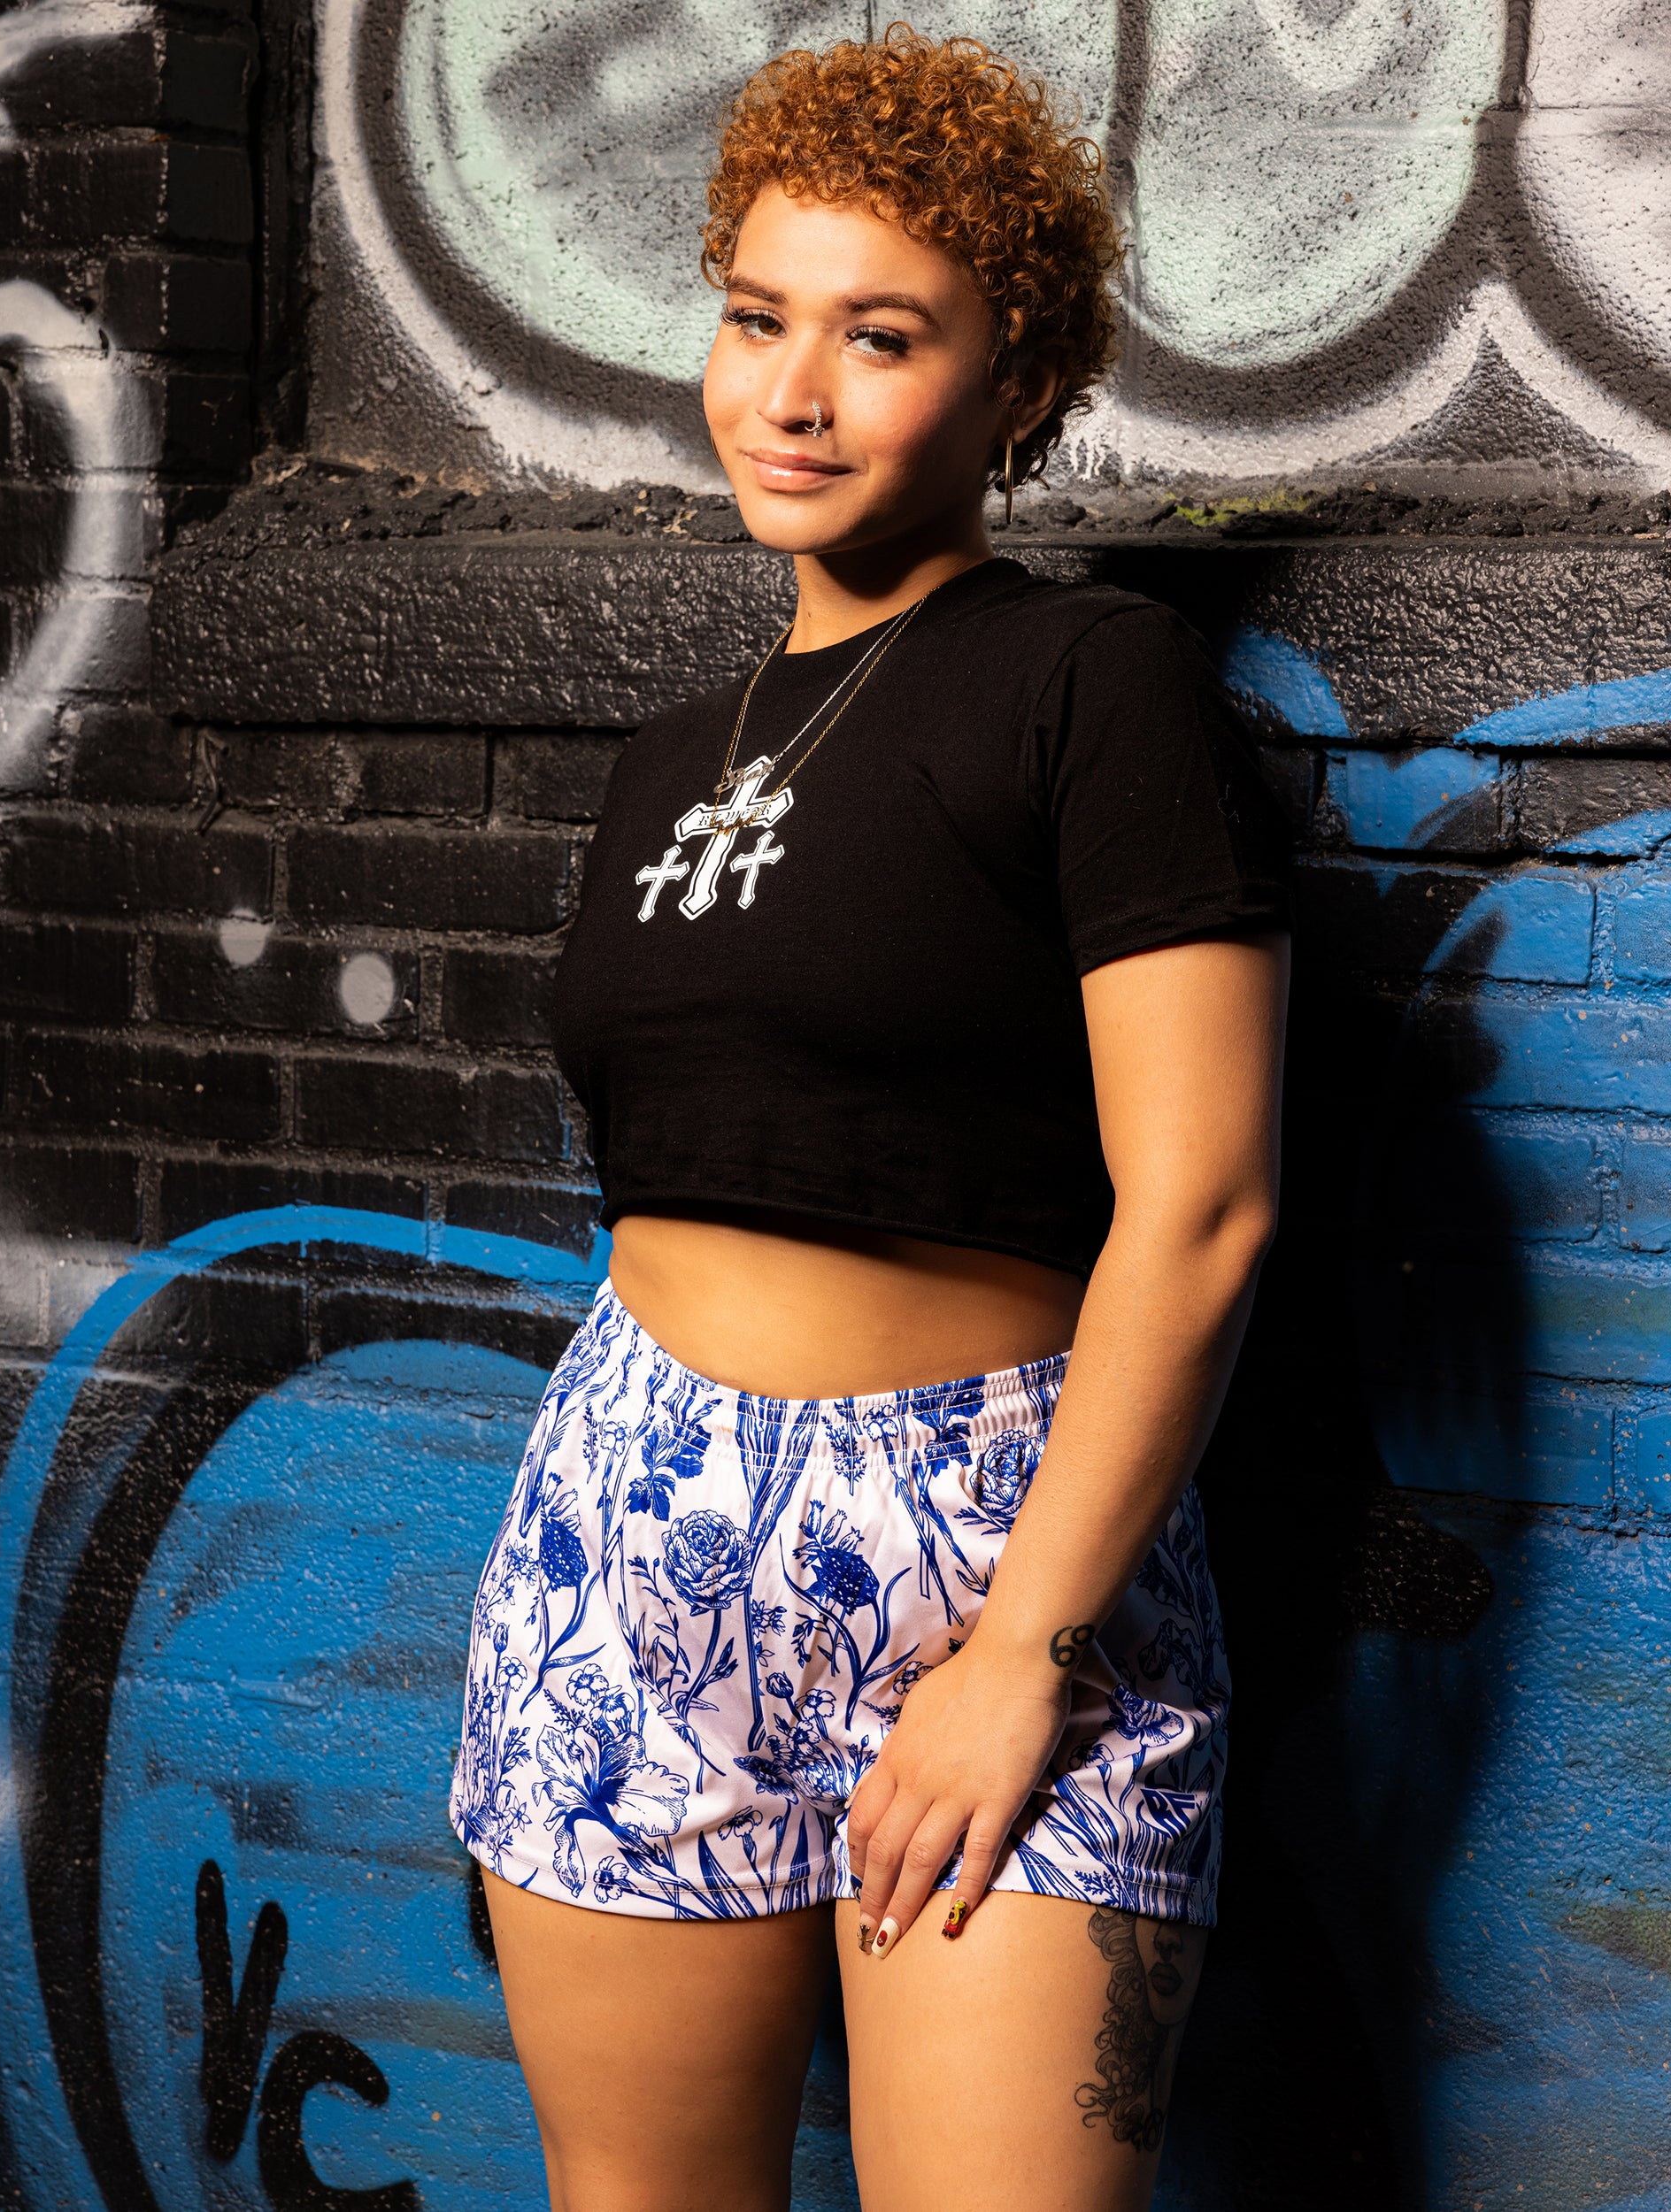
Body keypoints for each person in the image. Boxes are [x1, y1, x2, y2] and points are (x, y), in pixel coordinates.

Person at [450, 26, 1290, 2211]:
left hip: (1003, 1545)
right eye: (755, 319)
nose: (789, 395)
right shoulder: (661, 756)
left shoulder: (1088, 682)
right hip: (627, 1535)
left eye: (879, 336)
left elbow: (1199, 1204)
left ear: (1016, 384)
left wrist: (1025, 1649)